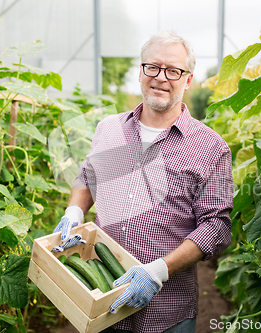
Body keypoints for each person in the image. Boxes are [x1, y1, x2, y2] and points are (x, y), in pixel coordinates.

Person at [53, 30, 233, 333]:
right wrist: (74, 212)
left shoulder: (210, 147)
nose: (161, 77)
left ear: (188, 80)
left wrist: (158, 271)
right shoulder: (110, 129)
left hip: (168, 312)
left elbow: (217, 227)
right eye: (153, 67)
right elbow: (89, 177)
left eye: (174, 70)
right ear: (140, 72)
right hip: (102, 300)